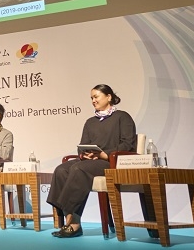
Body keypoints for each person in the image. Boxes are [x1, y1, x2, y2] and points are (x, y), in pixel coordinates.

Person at [47, 84, 136, 238]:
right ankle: (69, 216)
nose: (93, 100)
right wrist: (84, 155)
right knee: (61, 169)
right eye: (91, 98)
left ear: (109, 97)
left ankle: (73, 223)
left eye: (96, 96)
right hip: (91, 161)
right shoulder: (90, 122)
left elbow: (127, 144)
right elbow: (82, 145)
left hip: (111, 162)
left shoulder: (122, 117)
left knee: (78, 169)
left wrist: (104, 155)